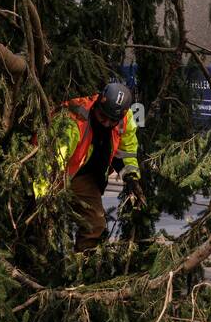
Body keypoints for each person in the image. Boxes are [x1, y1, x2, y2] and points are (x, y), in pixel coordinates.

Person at [32, 82, 143, 251]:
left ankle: (82, 265)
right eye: (102, 116)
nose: (106, 123)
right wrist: (42, 197)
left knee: (95, 224)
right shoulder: (74, 120)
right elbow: (49, 164)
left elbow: (126, 152)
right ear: (98, 103)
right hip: (60, 173)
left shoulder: (125, 120)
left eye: (112, 120)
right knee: (43, 222)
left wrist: (131, 177)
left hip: (86, 176)